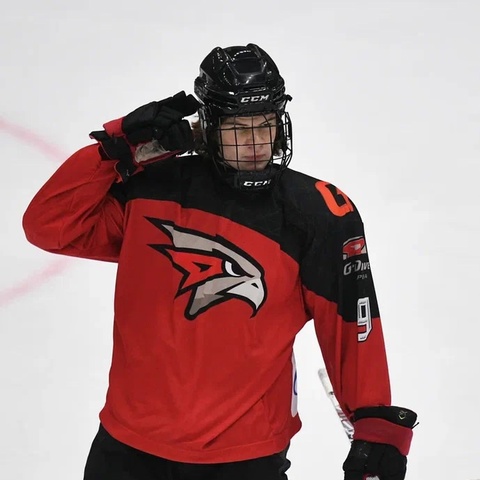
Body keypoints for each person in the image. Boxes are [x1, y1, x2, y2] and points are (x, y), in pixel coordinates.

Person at [23, 44, 417, 480]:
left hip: (244, 454)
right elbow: (49, 226)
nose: (256, 143)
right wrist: (118, 149)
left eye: (265, 124)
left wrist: (375, 423)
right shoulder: (151, 189)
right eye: (237, 128)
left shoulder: (317, 212)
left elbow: (351, 323)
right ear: (207, 127)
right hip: (128, 444)